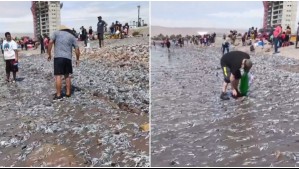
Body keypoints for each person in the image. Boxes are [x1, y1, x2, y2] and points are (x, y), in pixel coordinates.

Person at [47, 25, 80, 100]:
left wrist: (49, 54)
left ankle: (58, 94)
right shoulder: (72, 36)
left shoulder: (56, 33)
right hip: (68, 58)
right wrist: (77, 59)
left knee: (58, 76)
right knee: (67, 76)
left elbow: (50, 43)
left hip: (58, 57)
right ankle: (68, 93)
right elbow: (77, 49)